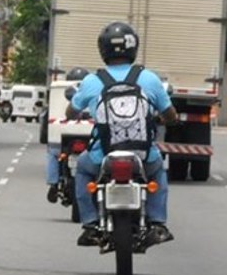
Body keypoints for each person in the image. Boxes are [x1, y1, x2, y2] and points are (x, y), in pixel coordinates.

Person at [66, 22, 178, 247]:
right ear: (133, 47)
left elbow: (71, 112)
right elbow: (171, 116)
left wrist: (80, 107)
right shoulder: (149, 79)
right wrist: (161, 118)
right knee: (158, 173)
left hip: (102, 156)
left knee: (83, 171)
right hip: (143, 156)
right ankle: (157, 223)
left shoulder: (91, 81)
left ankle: (90, 224)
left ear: (103, 49)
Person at [46, 67, 88, 204]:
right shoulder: (93, 89)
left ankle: (53, 184)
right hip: (89, 136)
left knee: (53, 153)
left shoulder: (65, 91)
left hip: (62, 135)